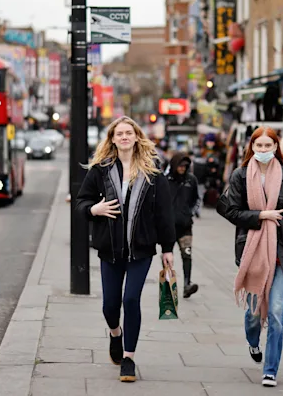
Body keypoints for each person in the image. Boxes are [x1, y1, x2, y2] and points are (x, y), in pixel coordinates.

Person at [75, 116, 176, 383]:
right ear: (112, 139)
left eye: (128, 133)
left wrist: (168, 248)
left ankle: (128, 358)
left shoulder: (153, 172)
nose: (124, 137)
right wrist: (94, 209)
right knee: (110, 305)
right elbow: (81, 202)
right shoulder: (100, 169)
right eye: (119, 133)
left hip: (141, 250)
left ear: (136, 137)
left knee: (131, 300)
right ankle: (115, 333)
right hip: (110, 249)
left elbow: (164, 214)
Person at [222, 126, 283, 388]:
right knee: (253, 313)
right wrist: (261, 216)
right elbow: (230, 211)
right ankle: (252, 341)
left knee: (278, 312)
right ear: (252, 148)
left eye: (268, 146)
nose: (264, 151)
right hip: (253, 250)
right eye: (259, 146)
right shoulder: (240, 176)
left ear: (276, 148)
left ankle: (270, 370)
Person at [167, 152, 200, 298]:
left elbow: (196, 199)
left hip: (185, 226)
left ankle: (187, 283)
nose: (182, 168)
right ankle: (168, 286)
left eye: (185, 166)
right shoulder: (165, 180)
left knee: (187, 255)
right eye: (180, 166)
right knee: (167, 257)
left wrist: (190, 213)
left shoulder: (191, 180)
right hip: (168, 227)